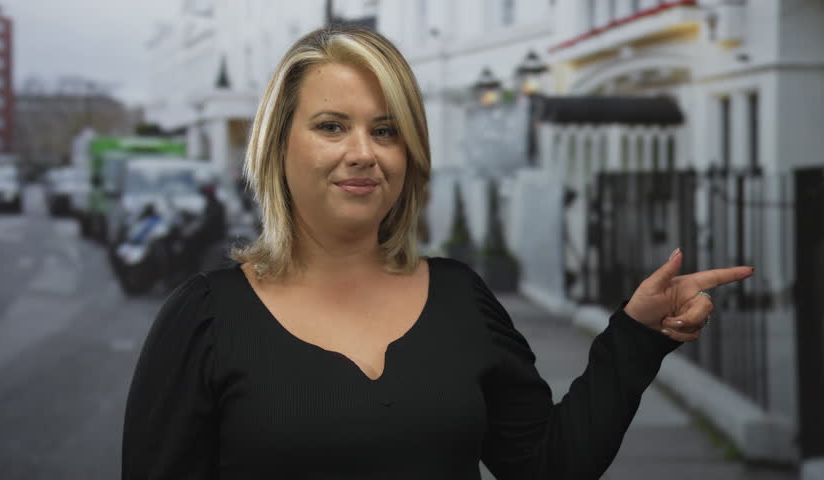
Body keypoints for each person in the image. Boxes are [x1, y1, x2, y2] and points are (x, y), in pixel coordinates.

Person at [121, 25, 753, 479]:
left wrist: (637, 335)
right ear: (277, 146)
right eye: (331, 126)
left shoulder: (459, 298)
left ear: (410, 153)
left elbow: (547, 465)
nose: (363, 152)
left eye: (386, 130)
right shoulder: (205, 319)